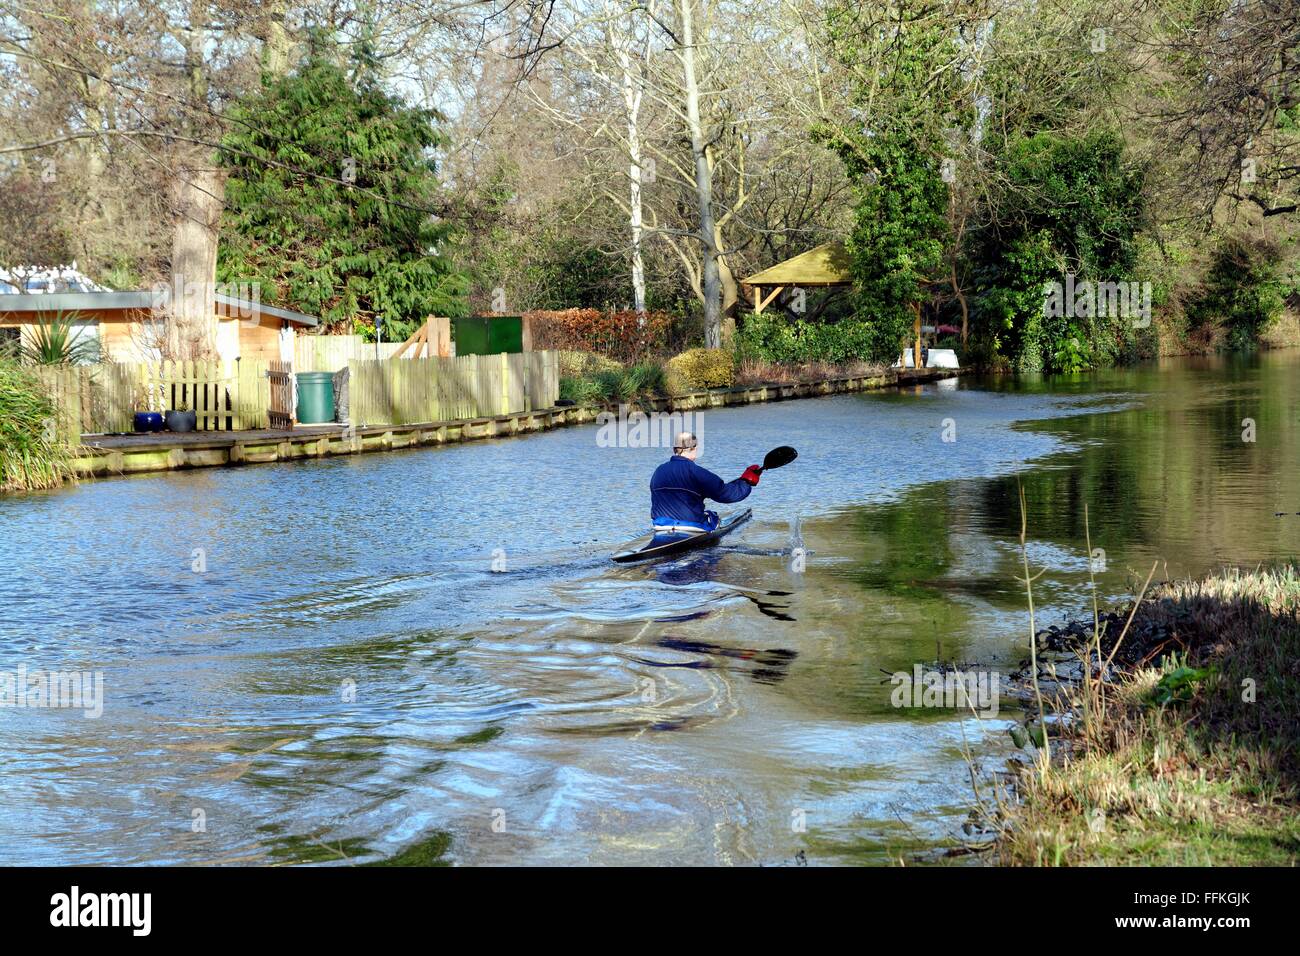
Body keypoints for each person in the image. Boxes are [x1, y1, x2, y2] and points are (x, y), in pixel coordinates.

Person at [649, 432, 761, 534]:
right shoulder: (697, 472)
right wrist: (747, 482)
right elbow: (726, 494)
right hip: (692, 526)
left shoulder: (658, 471)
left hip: (660, 526)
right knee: (713, 516)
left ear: (674, 449)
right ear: (694, 448)